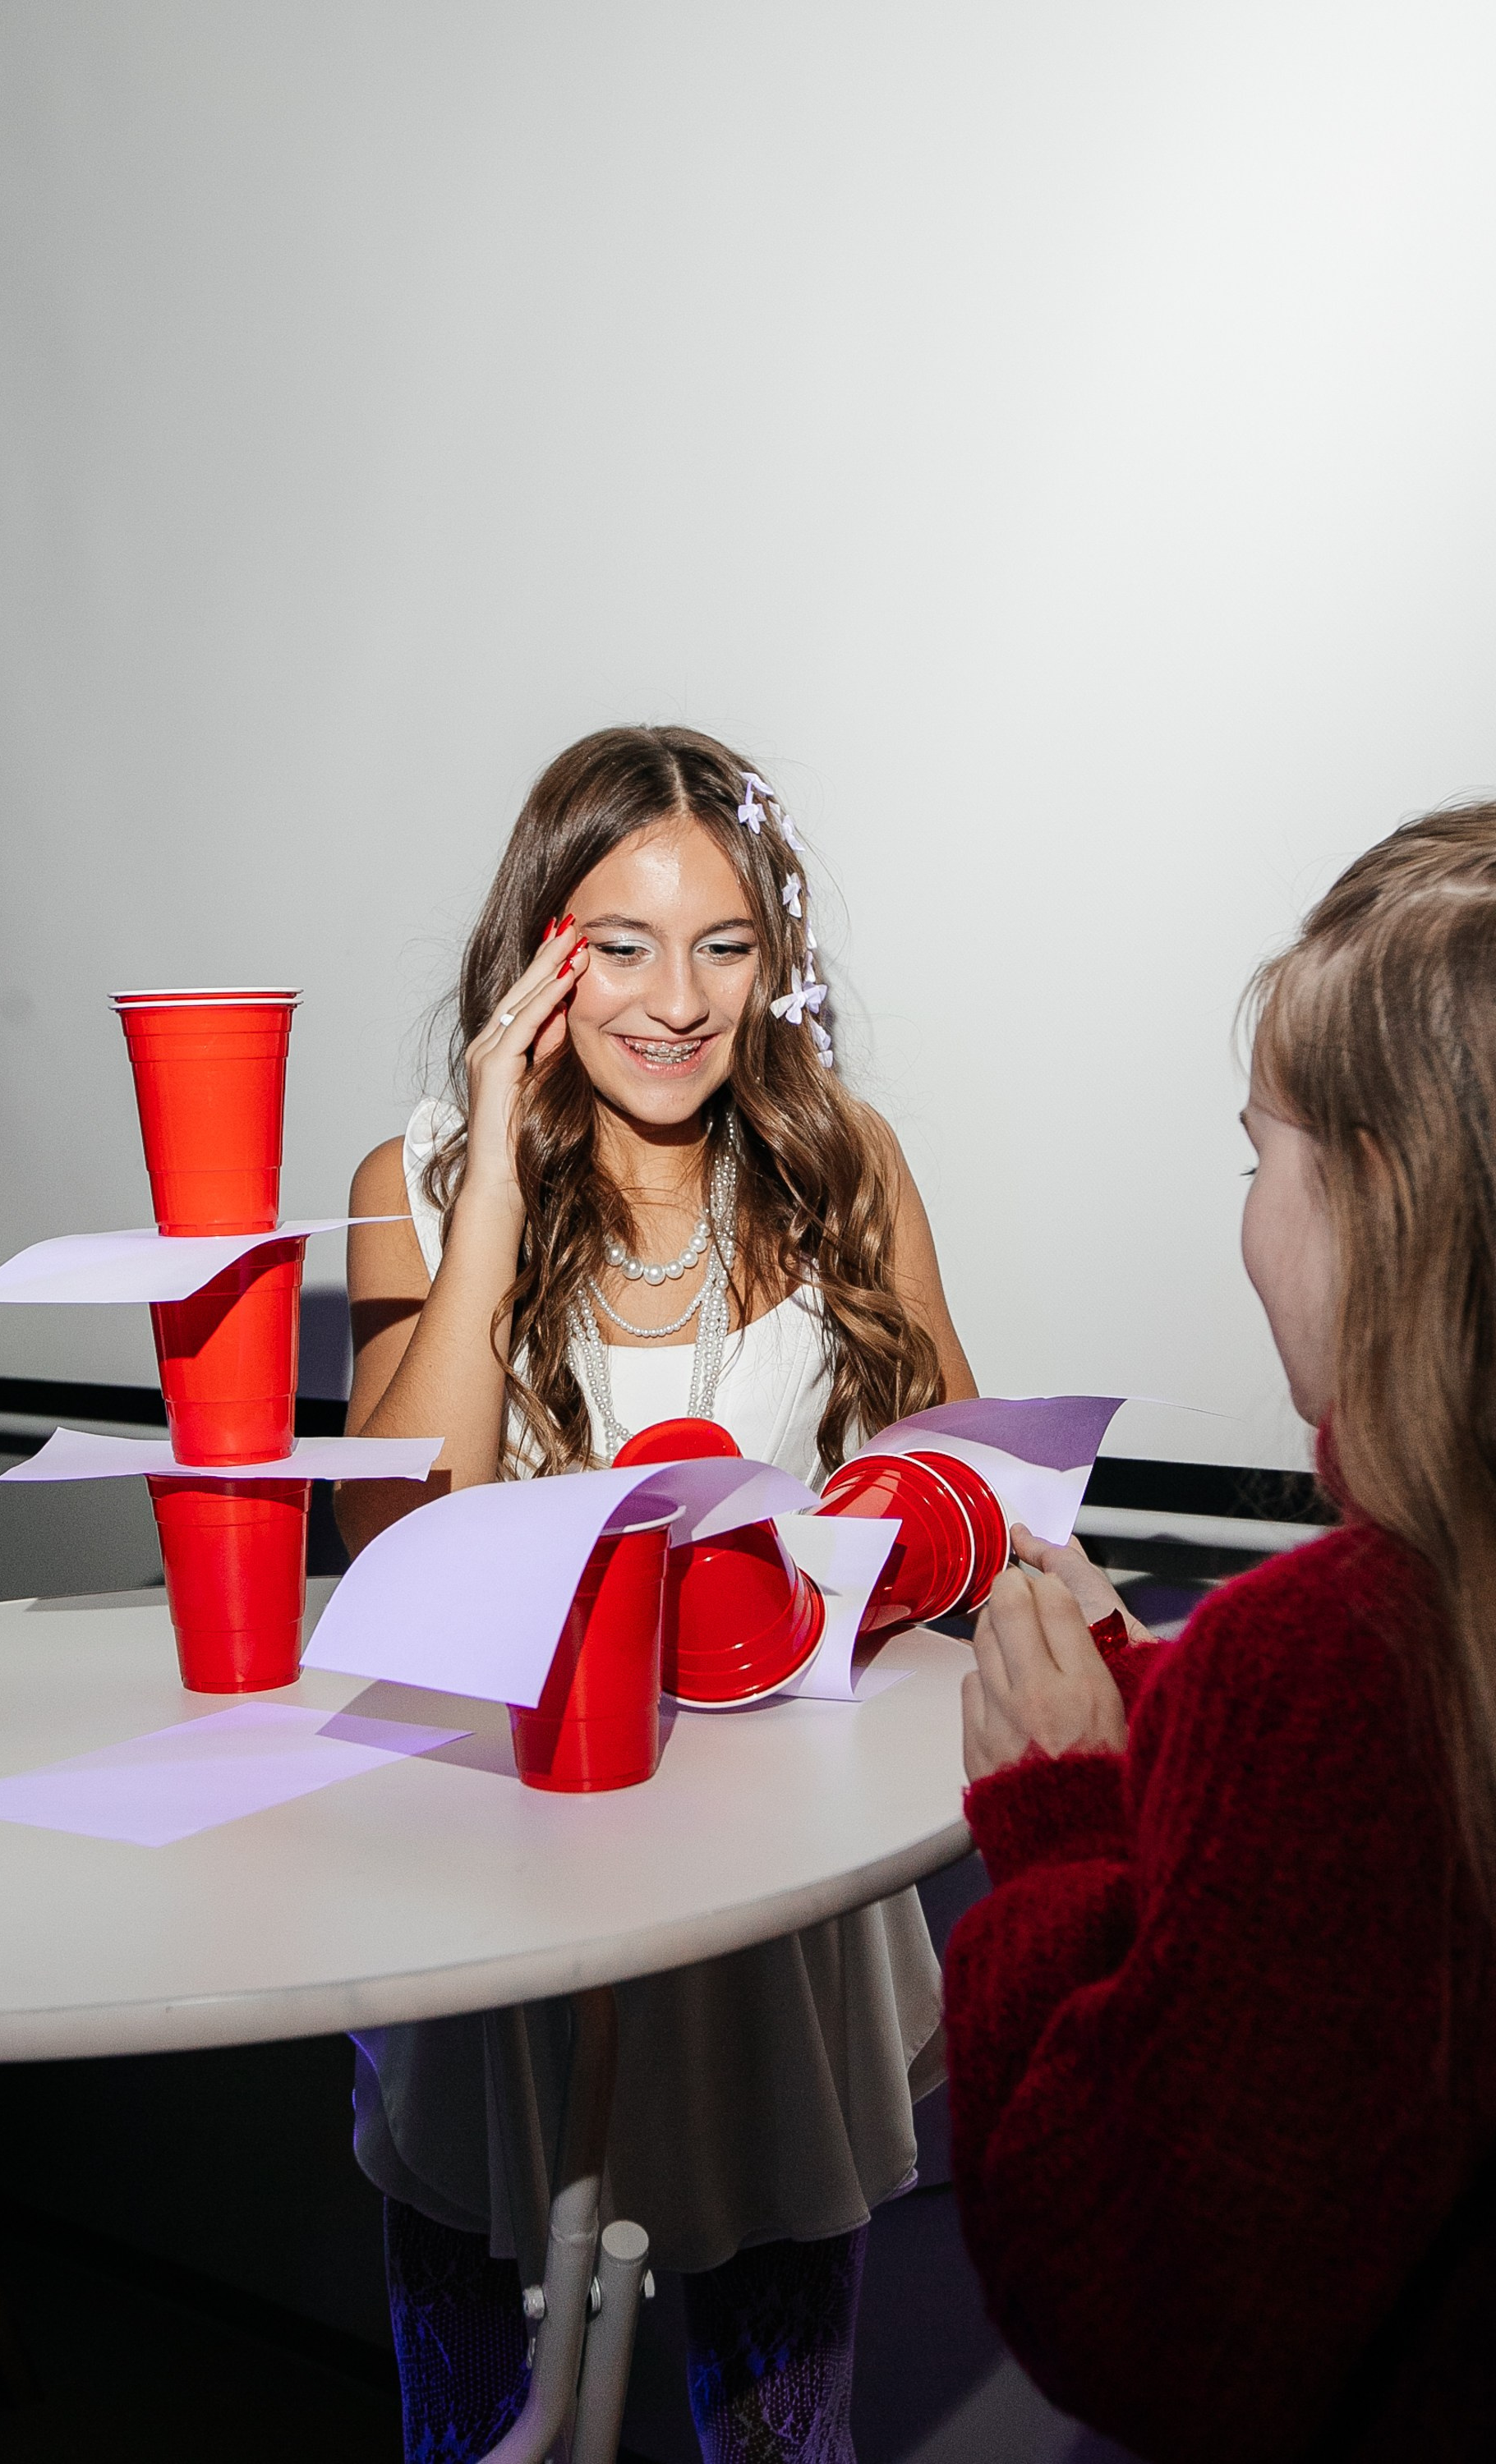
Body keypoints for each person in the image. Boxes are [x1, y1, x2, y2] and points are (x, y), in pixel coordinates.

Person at [338, 724, 976, 2464]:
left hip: (773, 1916)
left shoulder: (844, 1161)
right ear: (538, 952)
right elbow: (401, 1548)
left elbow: (954, 1504)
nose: (677, 1000)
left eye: (724, 945)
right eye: (619, 945)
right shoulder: (410, 1188)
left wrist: (845, 1553)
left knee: (786, 2436)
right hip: (492, 1895)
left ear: (775, 961)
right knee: (474, 2430)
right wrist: (482, 1152)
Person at [945, 802, 1496, 2462]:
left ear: (1377, 1200)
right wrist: (1172, 1702)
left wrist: (1059, 1825)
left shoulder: (1330, 1661)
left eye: (1258, 1161)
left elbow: (1145, 2309)